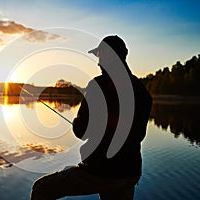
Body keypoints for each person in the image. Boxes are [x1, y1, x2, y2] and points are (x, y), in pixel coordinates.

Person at [31, 35, 152, 200]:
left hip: (102, 172)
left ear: (108, 55)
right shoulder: (141, 90)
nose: (98, 62)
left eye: (99, 55)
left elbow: (82, 131)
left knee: (41, 189)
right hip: (130, 173)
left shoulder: (98, 86)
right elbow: (139, 135)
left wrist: (76, 123)